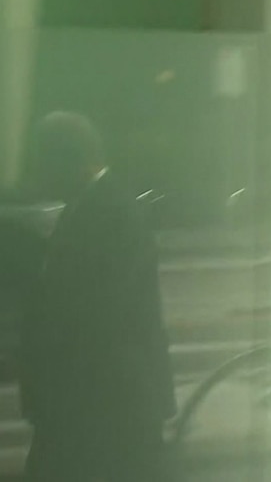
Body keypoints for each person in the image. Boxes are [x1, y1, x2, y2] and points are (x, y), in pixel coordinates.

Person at [20, 111, 176, 481]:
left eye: (43, 162)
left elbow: (91, 315)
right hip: (97, 403)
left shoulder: (111, 213)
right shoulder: (92, 208)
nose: (38, 174)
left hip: (105, 405)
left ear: (72, 161)